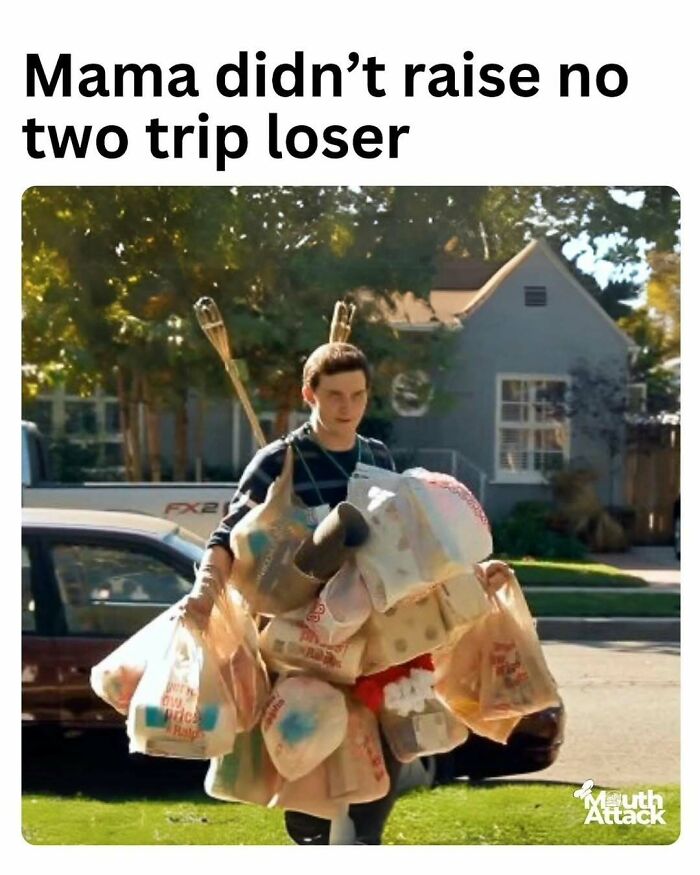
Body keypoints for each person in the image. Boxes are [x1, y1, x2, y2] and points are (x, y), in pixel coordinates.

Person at [182, 341, 513, 844]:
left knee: (379, 768)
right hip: (304, 648)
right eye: (334, 395)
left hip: (379, 647)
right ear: (308, 394)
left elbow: (414, 540)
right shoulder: (280, 461)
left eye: (357, 395)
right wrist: (205, 592)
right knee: (313, 777)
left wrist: (476, 571)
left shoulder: (377, 456)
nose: (347, 407)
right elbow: (226, 536)